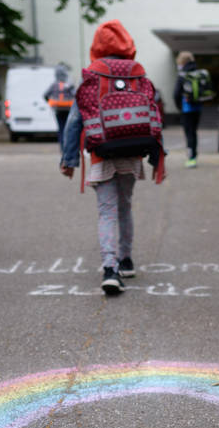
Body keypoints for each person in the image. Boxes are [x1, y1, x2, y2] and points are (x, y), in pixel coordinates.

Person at [60, 19, 164, 295]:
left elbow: (74, 121)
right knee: (125, 206)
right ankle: (126, 260)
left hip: (101, 152)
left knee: (106, 210)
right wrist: (157, 155)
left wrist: (69, 159)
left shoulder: (92, 74)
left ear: (97, 46)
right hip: (133, 149)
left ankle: (110, 269)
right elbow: (154, 112)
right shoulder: (137, 73)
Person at [173, 51, 202, 168]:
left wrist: (179, 107)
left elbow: (176, 94)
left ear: (182, 61)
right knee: (194, 132)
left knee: (188, 133)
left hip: (186, 109)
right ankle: (194, 155)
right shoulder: (198, 73)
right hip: (198, 108)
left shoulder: (182, 75)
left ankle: (191, 158)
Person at [43, 64, 75, 153]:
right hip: (68, 110)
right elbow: (76, 95)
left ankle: (62, 148)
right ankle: (68, 147)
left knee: (61, 128)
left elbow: (45, 95)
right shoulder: (69, 84)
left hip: (58, 109)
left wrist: (50, 103)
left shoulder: (54, 85)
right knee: (68, 129)